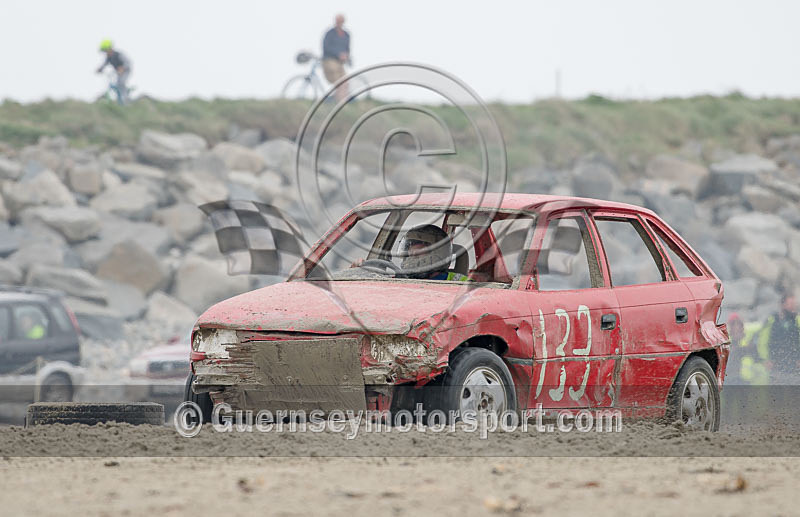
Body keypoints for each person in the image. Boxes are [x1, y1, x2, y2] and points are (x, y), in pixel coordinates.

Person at [755, 292, 800, 384]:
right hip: (776, 365)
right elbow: (762, 341)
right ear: (782, 305)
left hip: (794, 366)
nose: (793, 307)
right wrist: (765, 359)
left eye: (794, 305)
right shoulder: (772, 320)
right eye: (790, 304)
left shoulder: (797, 320)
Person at [398, 225, 467, 281]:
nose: (412, 258)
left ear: (440, 254)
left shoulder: (459, 282)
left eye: (418, 253)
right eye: (410, 253)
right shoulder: (399, 281)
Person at [321, 14, 350, 101]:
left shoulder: (346, 35)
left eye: (341, 21)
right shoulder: (329, 33)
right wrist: (338, 54)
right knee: (338, 80)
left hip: (340, 62)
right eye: (338, 21)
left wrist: (347, 56)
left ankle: (342, 102)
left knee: (345, 81)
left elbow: (347, 48)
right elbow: (326, 47)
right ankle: (338, 101)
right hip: (329, 60)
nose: (339, 23)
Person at [96, 39, 132, 105]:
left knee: (121, 82)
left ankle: (126, 100)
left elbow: (128, 63)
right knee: (113, 84)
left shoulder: (118, 54)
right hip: (118, 72)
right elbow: (104, 64)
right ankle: (118, 100)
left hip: (125, 71)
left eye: (106, 50)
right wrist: (100, 69)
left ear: (110, 49)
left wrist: (122, 68)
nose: (106, 53)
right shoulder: (108, 58)